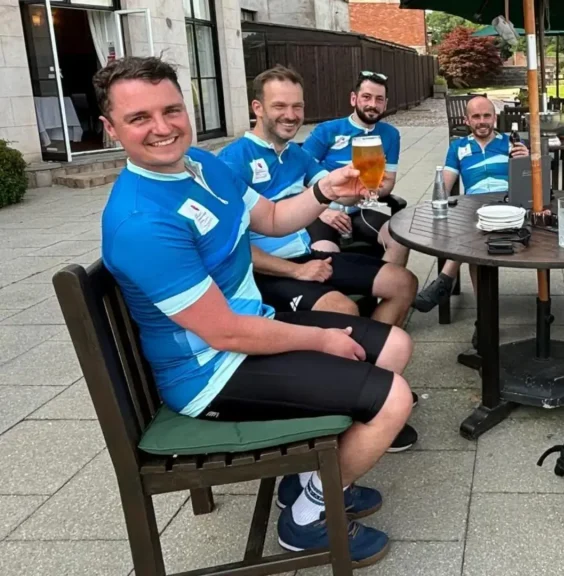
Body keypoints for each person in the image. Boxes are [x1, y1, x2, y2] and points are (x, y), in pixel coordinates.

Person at [96, 57, 426, 564]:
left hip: (253, 327)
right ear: (111, 128)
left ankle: (311, 481)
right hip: (210, 371)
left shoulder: (202, 166)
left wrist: (322, 192)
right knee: (393, 399)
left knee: (396, 344)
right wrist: (322, 340)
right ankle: (308, 518)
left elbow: (271, 218)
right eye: (140, 118)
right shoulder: (142, 221)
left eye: (172, 110)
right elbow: (225, 332)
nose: (162, 128)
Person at [218, 66, 418, 329]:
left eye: (297, 107)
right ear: (258, 108)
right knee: (345, 310)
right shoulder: (231, 162)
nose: (291, 116)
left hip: (305, 254)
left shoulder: (296, 154)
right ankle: (364, 355)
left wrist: (357, 189)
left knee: (403, 282)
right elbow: (229, 248)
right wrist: (296, 271)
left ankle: (373, 353)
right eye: (280, 106)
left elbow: (336, 192)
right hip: (264, 273)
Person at [412, 96, 529, 345]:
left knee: (472, 239)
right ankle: (485, 320)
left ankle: (445, 281)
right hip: (474, 211)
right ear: (467, 120)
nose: (482, 121)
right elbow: (444, 186)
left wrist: (526, 162)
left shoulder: (512, 143)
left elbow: (531, 184)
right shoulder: (458, 148)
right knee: (475, 244)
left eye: (487, 116)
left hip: (509, 208)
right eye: (476, 117)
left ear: (495, 118)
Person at [301, 71, 410, 266]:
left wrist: (374, 189)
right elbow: (295, 179)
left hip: (359, 209)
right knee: (326, 255)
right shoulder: (327, 130)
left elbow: (388, 182)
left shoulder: (390, 135)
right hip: (321, 211)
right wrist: (322, 212)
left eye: (379, 99)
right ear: (354, 98)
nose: (372, 105)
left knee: (400, 240)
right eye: (366, 97)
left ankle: (385, 288)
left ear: (385, 104)